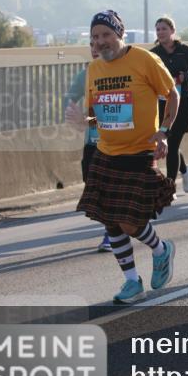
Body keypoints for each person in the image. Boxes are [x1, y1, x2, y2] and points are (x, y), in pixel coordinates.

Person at [67, 10, 178, 304]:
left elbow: (173, 94)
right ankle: (131, 281)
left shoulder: (144, 60)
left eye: (106, 35)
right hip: (106, 153)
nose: (100, 41)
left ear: (119, 34)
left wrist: (164, 131)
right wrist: (83, 121)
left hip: (140, 151)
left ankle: (160, 249)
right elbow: (98, 115)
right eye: (95, 37)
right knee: (110, 221)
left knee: (129, 221)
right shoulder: (94, 69)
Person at [151, 15, 188, 193]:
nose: (160, 32)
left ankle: (169, 188)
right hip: (162, 105)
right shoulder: (153, 54)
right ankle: (185, 170)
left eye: (164, 29)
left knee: (172, 143)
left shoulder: (185, 50)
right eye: (158, 29)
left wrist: (186, 77)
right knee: (169, 142)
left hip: (184, 104)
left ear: (172, 31)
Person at [64, 43, 111, 252]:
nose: (95, 47)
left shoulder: (121, 73)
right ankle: (116, 226)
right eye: (92, 43)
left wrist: (87, 119)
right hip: (92, 142)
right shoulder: (86, 74)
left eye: (101, 40)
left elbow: (118, 112)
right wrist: (70, 111)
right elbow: (70, 98)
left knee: (110, 188)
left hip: (116, 142)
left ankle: (112, 233)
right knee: (92, 185)